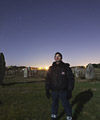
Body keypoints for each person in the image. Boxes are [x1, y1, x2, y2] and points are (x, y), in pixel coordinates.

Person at [45, 52, 75, 120]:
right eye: (56, 56)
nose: (57, 57)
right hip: (54, 91)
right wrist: (47, 90)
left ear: (61, 58)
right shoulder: (51, 68)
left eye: (58, 56)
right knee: (54, 104)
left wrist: (70, 90)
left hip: (63, 91)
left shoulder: (66, 67)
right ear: (54, 58)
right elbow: (48, 79)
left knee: (66, 104)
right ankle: (54, 117)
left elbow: (70, 79)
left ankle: (69, 117)